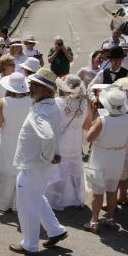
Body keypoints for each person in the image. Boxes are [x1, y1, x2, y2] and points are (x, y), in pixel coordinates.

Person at [8, 68, 69, 255]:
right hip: (39, 166)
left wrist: (47, 155)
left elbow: (49, 136)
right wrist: (50, 155)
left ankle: (29, 244)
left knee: (27, 206)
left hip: (32, 165)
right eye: (32, 84)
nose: (31, 88)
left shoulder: (40, 111)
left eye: (36, 85)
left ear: (47, 90)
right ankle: (56, 230)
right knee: (36, 198)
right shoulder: (53, 105)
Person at [83, 88, 128, 232]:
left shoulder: (102, 120)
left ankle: (94, 221)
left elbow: (88, 138)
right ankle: (110, 219)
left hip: (101, 157)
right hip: (117, 157)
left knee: (97, 192)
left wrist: (92, 117)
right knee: (112, 190)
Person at [45, 75, 91, 211]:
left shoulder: (57, 102)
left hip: (60, 142)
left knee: (59, 171)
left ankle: (55, 199)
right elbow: (88, 125)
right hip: (75, 142)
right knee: (74, 170)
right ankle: (77, 197)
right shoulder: (84, 103)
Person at [0, 72, 32, 212]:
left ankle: (4, 203)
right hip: (25, 140)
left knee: (6, 168)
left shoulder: (3, 102)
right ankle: (18, 204)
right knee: (21, 171)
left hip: (8, 139)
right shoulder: (31, 101)